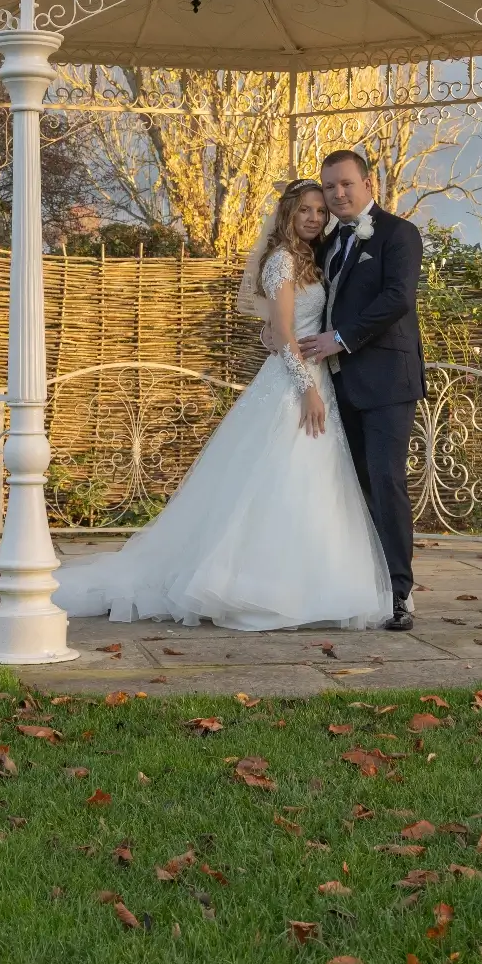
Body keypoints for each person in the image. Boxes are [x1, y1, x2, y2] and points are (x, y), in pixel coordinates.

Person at [54, 179, 392, 631]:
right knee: (281, 475)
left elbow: (281, 327)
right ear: (287, 215)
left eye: (318, 210)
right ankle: (252, 585)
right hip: (296, 384)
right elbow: (287, 333)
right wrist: (307, 388)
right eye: (304, 210)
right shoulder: (281, 261)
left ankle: (308, 583)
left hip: (315, 378)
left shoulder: (313, 258)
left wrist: (282, 345)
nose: (313, 218)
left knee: (313, 480)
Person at [298, 149, 425, 633]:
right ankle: (358, 586)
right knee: (353, 488)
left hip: (389, 380)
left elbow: (398, 298)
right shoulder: (327, 242)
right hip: (337, 384)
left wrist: (340, 338)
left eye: (346, 184)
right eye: (329, 187)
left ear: (368, 183)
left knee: (386, 481)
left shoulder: (398, 233)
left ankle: (399, 594)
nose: (338, 194)